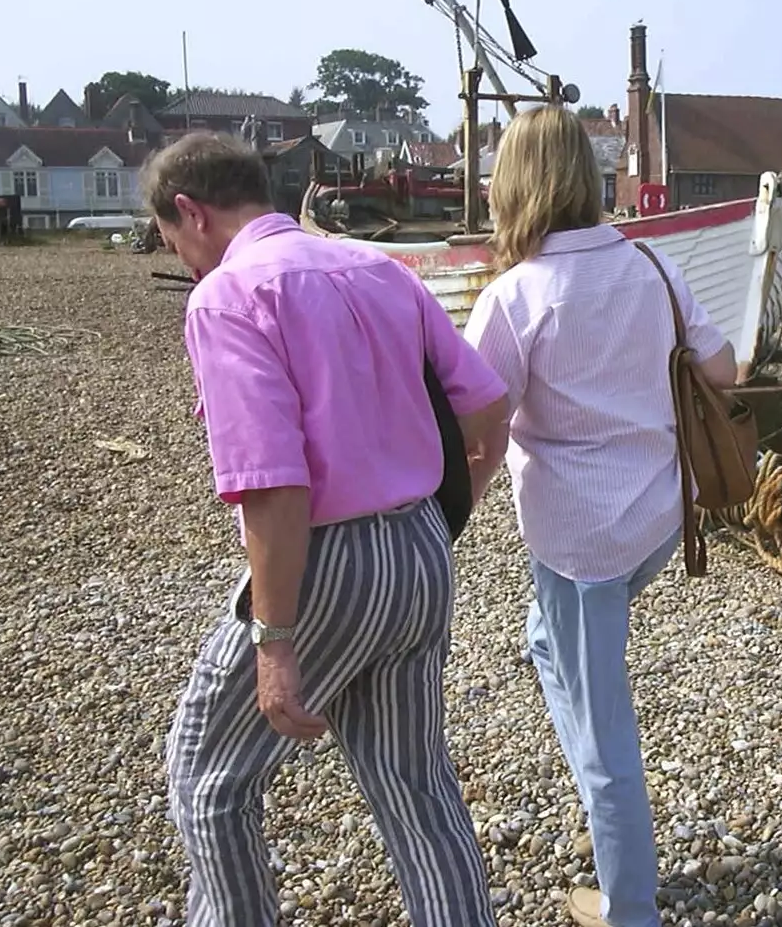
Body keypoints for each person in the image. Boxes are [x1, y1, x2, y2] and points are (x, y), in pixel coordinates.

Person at [144, 131, 510, 927]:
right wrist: (451, 514)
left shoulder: (227, 297)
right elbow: (489, 407)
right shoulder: (380, 269)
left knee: (210, 777)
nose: (182, 260)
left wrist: (274, 640)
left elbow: (274, 484)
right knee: (415, 788)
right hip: (420, 547)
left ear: (189, 212)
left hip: (326, 560)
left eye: (172, 241)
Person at [461, 106, 737, 927]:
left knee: (605, 732)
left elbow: (477, 432)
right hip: (659, 518)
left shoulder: (517, 296)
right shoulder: (653, 267)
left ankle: (631, 905)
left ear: (515, 184)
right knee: (546, 646)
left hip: (579, 544)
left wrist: (433, 528)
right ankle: (613, 818)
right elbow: (720, 367)